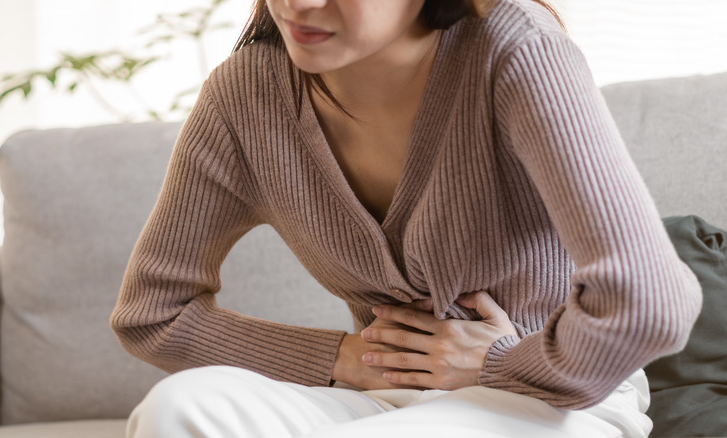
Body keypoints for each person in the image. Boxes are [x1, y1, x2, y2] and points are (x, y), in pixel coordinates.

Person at [110, 0, 703, 436]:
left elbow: (650, 300)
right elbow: (153, 314)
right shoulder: (247, 96)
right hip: (384, 399)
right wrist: (349, 359)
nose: (300, 3)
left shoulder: (515, 51)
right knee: (180, 409)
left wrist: (499, 363)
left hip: (556, 403)